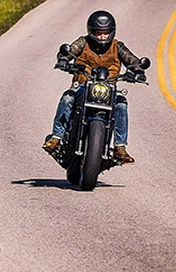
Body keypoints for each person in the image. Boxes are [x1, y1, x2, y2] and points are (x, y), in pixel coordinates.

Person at [42, 10, 147, 163]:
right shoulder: (83, 42)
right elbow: (70, 51)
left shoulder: (118, 46)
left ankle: (120, 147)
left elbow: (132, 59)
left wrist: (138, 70)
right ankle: (56, 137)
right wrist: (64, 60)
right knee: (67, 97)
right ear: (91, 32)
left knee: (121, 104)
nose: (102, 37)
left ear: (111, 32)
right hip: (83, 85)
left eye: (105, 33)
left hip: (108, 89)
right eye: (98, 33)